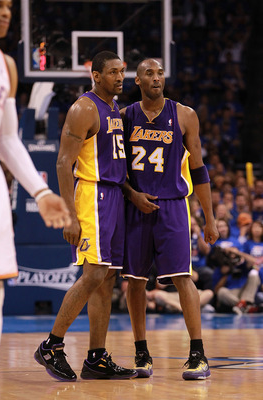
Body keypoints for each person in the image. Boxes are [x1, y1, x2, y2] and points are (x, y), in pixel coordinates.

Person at [0, 1, 71, 399]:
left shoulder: (6, 65)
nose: (5, 12)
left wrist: (41, 191)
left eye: (7, 6)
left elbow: (6, 139)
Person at [34, 51, 137, 381]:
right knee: (93, 275)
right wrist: (70, 215)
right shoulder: (84, 107)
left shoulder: (113, 108)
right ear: (96, 75)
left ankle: (96, 357)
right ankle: (52, 345)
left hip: (113, 196)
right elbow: (64, 163)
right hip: (92, 195)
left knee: (106, 280)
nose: (120, 77)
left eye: (122, 72)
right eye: (112, 72)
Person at [121, 58, 219, 380]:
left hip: (173, 206)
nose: (156, 78)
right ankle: (141, 353)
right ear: (137, 80)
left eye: (160, 73)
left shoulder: (185, 115)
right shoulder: (124, 117)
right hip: (135, 207)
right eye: (149, 73)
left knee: (182, 278)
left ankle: (198, 354)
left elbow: (199, 169)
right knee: (134, 281)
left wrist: (209, 218)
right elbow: (114, 170)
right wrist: (132, 194)